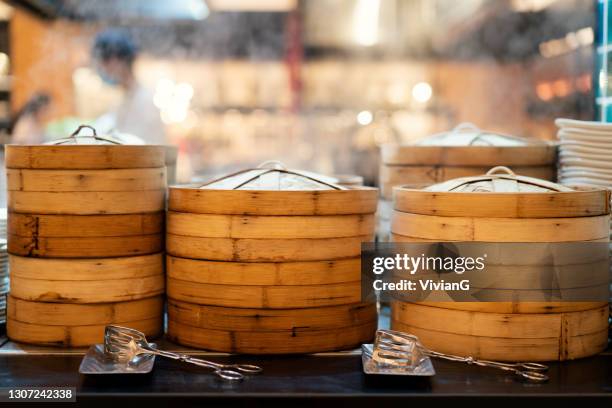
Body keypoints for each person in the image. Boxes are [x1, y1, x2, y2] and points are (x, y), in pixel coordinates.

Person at [91, 28, 166, 145]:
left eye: (104, 62)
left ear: (119, 60)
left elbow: (138, 149)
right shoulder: (125, 100)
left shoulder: (144, 101)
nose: (101, 69)